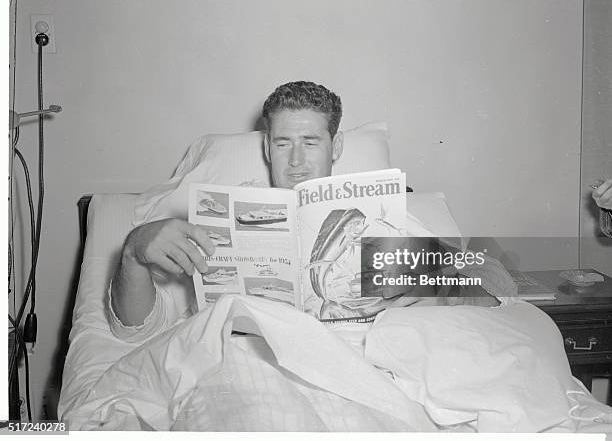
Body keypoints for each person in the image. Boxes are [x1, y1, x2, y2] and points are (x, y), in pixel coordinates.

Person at [109, 81, 511, 342]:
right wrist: (134, 252)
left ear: (335, 148)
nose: (297, 161)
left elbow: (497, 286)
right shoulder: (217, 218)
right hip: (253, 365)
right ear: (267, 148)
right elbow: (134, 329)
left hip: (362, 364)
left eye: (311, 142)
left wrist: (439, 296)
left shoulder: (377, 216)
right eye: (283, 143)